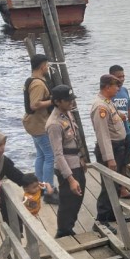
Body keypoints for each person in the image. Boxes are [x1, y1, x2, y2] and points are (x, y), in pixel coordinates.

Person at [46, 84, 87, 238]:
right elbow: (58, 154)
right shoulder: (54, 124)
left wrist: (82, 157)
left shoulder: (67, 113)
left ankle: (69, 227)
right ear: (57, 102)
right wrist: (70, 178)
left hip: (77, 162)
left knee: (77, 199)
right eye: (67, 100)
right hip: (67, 167)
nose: (71, 102)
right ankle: (63, 232)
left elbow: (75, 137)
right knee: (68, 201)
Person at [90, 74, 128, 227]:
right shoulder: (100, 107)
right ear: (107, 87)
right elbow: (103, 135)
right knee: (108, 185)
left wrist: (120, 116)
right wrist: (109, 158)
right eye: (115, 86)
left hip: (118, 147)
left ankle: (113, 213)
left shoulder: (107, 102)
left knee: (116, 184)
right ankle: (102, 219)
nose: (118, 89)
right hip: (111, 149)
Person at [22, 54, 58, 202]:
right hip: (39, 124)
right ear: (42, 66)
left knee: (41, 155)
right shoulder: (37, 84)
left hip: (33, 124)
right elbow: (34, 104)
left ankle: (40, 185)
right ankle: (49, 189)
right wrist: (53, 101)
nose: (48, 68)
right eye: (47, 65)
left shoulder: (31, 80)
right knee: (50, 156)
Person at [109, 65, 130, 199]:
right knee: (115, 162)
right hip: (115, 134)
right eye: (119, 76)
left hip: (126, 131)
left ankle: (122, 187)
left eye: (123, 76)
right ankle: (113, 188)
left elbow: (129, 110)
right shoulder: (109, 93)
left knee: (125, 162)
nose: (122, 79)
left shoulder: (125, 91)